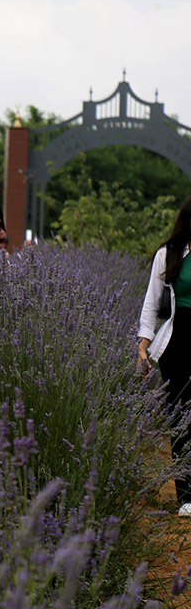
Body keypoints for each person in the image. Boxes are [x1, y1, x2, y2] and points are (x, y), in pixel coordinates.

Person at [138, 195, 191, 515]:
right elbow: (151, 302)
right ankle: (186, 495)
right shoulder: (167, 254)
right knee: (180, 418)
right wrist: (142, 346)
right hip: (177, 342)